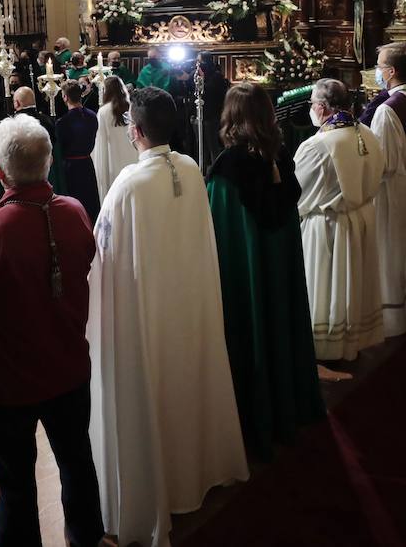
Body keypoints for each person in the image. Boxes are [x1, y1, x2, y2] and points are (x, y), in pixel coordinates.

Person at [88, 87, 248, 546]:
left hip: (149, 314)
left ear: (134, 132)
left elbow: (104, 257)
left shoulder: (128, 185)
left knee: (153, 392)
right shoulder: (193, 168)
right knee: (188, 383)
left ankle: (156, 494)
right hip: (189, 305)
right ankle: (199, 470)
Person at [0, 116, 105, 547]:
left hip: (7, 381)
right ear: (49, 163)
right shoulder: (74, 213)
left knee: (15, 485)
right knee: (77, 465)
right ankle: (86, 537)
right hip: (68, 369)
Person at [206, 83, 323, 460]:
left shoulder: (228, 167)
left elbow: (222, 229)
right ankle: (288, 405)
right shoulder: (280, 154)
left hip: (249, 269)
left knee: (252, 326)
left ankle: (255, 416)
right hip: (278, 263)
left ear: (231, 116)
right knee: (280, 321)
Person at [294, 78, 386, 361]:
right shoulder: (367, 134)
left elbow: (299, 193)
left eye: (311, 103)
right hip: (362, 220)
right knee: (352, 286)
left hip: (327, 227)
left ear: (321, 108)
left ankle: (327, 347)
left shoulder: (318, 145)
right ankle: (350, 341)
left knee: (327, 289)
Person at [360, 42, 406, 337]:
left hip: (388, 187)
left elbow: (382, 162)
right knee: (402, 245)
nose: (376, 72)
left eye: (378, 67)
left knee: (387, 247)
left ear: (391, 72)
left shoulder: (386, 110)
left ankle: (387, 318)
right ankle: (402, 309)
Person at [56, 81, 101, 221]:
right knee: (90, 200)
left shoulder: (62, 122)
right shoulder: (93, 116)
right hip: (87, 163)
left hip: (71, 168)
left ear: (65, 97)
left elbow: (60, 147)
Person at [93, 76, 139, 203]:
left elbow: (100, 140)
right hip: (132, 154)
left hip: (113, 157)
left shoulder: (103, 111)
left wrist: (100, 166)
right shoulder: (131, 106)